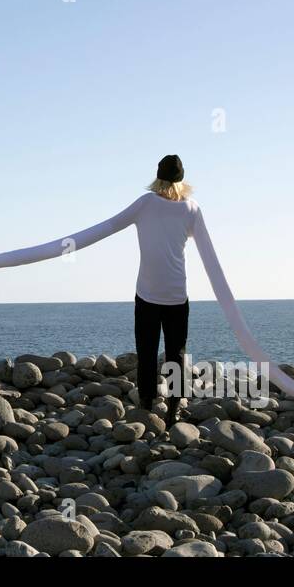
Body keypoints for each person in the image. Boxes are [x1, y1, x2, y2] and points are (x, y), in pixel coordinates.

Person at [131, 154, 204, 428]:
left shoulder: (145, 203)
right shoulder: (191, 208)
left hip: (147, 295)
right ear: (181, 179)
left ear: (158, 177)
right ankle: (173, 412)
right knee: (176, 354)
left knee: (147, 352)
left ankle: (147, 405)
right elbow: (209, 253)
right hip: (176, 296)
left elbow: (107, 226)